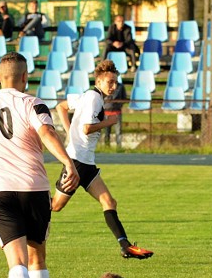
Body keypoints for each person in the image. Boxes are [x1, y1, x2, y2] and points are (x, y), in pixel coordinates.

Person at [0, 52, 79, 278]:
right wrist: (67, 162)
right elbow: (47, 132)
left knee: (16, 261)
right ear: (25, 77)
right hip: (33, 187)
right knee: (36, 257)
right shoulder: (32, 103)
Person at [53, 60, 153, 260]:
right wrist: (109, 122)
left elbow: (60, 107)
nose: (114, 86)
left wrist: (68, 130)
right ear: (99, 80)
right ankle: (12, 208)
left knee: (109, 201)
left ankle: (125, 246)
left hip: (86, 162)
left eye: (116, 82)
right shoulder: (93, 98)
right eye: (110, 82)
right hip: (76, 162)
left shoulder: (87, 95)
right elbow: (87, 128)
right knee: (55, 206)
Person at [103, 81, 126, 148]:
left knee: (118, 132)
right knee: (107, 132)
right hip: (106, 112)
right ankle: (106, 147)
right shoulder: (105, 85)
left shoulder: (120, 86)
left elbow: (123, 98)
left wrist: (119, 105)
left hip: (117, 112)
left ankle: (119, 147)